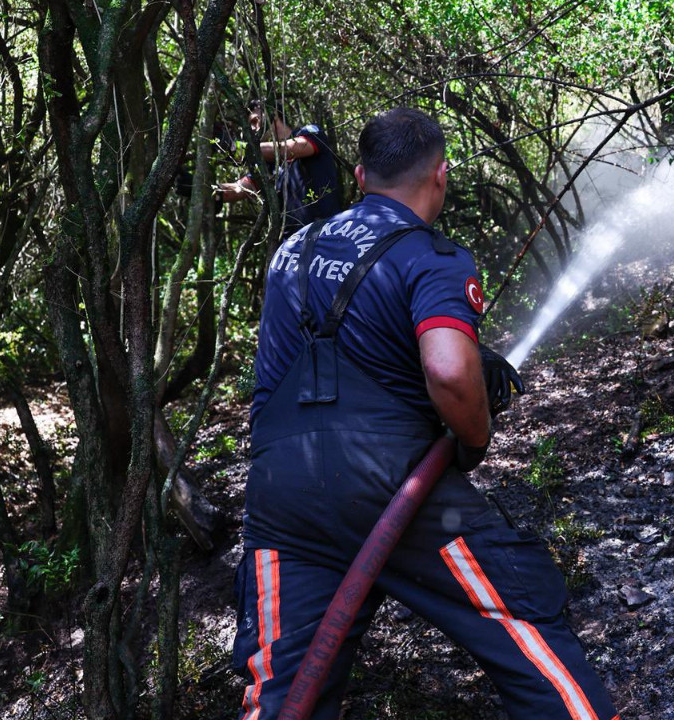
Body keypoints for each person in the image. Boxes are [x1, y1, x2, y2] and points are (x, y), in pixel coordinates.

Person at [233, 107, 620, 720]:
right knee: (524, 619)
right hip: (391, 488)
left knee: (282, 693)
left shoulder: (290, 253)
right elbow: (445, 370)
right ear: (439, 176)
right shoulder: (431, 255)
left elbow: (319, 362)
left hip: (279, 495)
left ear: (359, 177)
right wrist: (471, 439)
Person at [217, 99, 344, 238]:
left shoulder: (309, 132)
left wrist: (239, 149)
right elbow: (237, 189)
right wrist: (196, 187)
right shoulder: (266, 164)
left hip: (326, 234)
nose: (252, 128)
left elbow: (292, 148)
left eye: (255, 121)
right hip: (292, 244)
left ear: (273, 114)